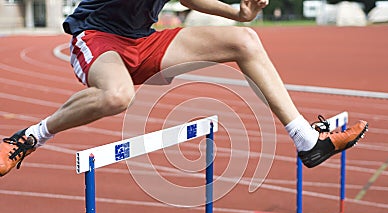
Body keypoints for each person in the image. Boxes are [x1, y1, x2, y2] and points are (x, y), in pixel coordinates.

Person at [0, 0, 367, 177]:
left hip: (142, 41)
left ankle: (306, 140)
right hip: (98, 38)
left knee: (246, 41)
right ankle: (30, 137)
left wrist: (239, 14)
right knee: (117, 95)